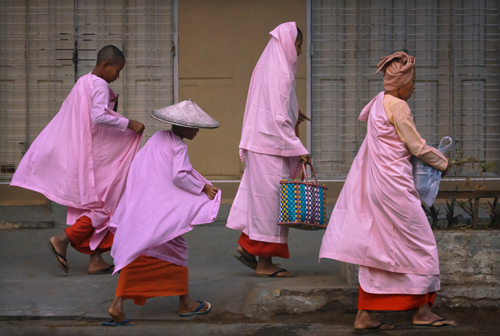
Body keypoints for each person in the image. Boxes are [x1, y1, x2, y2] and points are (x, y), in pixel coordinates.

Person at [319, 51, 455, 330]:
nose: (414, 86)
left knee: (378, 249)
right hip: (395, 188)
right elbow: (415, 146)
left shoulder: (379, 102)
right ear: (401, 82)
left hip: (378, 187)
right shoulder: (398, 106)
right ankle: (422, 312)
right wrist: (443, 163)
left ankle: (364, 315)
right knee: (422, 244)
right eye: (412, 81)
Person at [11, 45, 145, 275]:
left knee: (98, 207)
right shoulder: (100, 84)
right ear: (105, 66)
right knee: (105, 206)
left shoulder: (84, 81)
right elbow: (99, 116)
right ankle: (61, 240)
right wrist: (129, 123)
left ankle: (96, 260)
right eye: (117, 70)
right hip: (95, 158)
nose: (118, 76)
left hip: (83, 154)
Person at [102, 99, 220, 326]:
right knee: (175, 248)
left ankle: (118, 304)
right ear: (183, 127)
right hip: (157, 211)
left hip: (142, 206)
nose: (197, 131)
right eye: (195, 127)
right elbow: (179, 176)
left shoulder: (157, 138)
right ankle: (184, 303)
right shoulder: (180, 146)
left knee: (137, 249)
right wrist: (203, 187)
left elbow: (145, 169)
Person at [226, 22, 311, 278]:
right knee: (273, 206)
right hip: (270, 148)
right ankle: (264, 264)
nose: (299, 52)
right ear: (287, 44)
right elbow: (276, 117)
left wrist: (294, 114)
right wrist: (299, 147)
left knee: (261, 202)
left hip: (260, 144)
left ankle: (248, 247)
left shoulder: (267, 66)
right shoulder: (281, 73)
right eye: (298, 46)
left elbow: (271, 108)